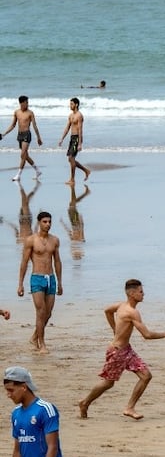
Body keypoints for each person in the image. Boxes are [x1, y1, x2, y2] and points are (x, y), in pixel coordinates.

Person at [77, 279, 165, 421]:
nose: (143, 294)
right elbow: (147, 335)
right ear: (132, 293)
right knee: (108, 382)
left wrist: (115, 328)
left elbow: (107, 311)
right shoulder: (132, 312)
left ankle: (129, 408)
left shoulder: (121, 306)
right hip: (117, 352)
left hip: (127, 350)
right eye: (141, 291)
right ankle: (85, 402)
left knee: (146, 376)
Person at [18, 210, 63, 353]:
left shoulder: (54, 240)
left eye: (49, 222)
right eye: (45, 222)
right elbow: (24, 262)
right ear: (39, 223)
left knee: (48, 313)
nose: (47, 224)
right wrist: (20, 284)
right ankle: (42, 344)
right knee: (40, 312)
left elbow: (57, 261)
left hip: (51, 278)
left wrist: (60, 282)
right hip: (37, 278)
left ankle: (34, 336)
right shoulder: (31, 240)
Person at [4, 95, 43, 182]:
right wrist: (4, 133)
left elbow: (35, 126)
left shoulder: (30, 113)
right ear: (21, 103)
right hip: (20, 135)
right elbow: (13, 125)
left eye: (28, 102)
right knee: (25, 156)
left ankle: (18, 175)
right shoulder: (16, 112)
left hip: (27, 134)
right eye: (26, 102)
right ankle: (37, 170)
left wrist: (38, 138)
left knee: (22, 154)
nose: (28, 104)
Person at [56, 97, 91, 185]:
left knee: (71, 158)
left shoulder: (79, 116)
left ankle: (72, 179)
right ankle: (86, 170)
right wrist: (62, 139)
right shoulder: (71, 116)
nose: (70, 105)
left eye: (71, 104)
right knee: (70, 159)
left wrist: (80, 143)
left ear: (76, 105)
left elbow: (80, 130)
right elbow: (67, 128)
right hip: (72, 138)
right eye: (70, 104)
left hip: (76, 138)